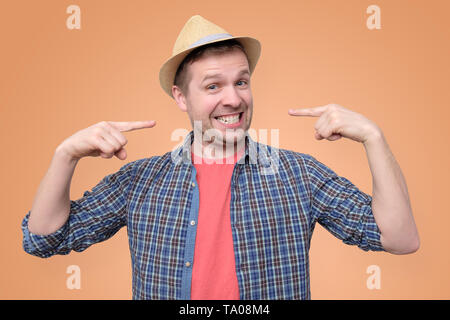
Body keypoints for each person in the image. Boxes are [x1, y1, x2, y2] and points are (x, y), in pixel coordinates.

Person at [21, 15, 420, 300]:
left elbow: (400, 239)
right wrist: (65, 155)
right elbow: (42, 240)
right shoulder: (139, 181)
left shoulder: (299, 174)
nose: (233, 98)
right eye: (213, 86)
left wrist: (374, 138)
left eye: (241, 81)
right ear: (181, 97)